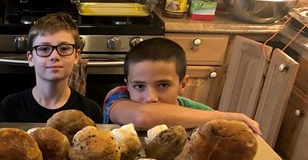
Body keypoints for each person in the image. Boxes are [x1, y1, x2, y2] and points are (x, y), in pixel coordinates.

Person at [103, 37, 261, 133]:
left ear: (183, 83)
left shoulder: (199, 112)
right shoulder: (116, 98)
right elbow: (142, 117)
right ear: (127, 85)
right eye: (139, 86)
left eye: (163, 85)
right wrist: (227, 116)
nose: (150, 98)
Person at [0, 13, 102, 123]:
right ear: (30, 58)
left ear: (76, 56)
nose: (54, 56)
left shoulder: (91, 110)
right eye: (44, 49)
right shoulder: (11, 106)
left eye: (64, 48)